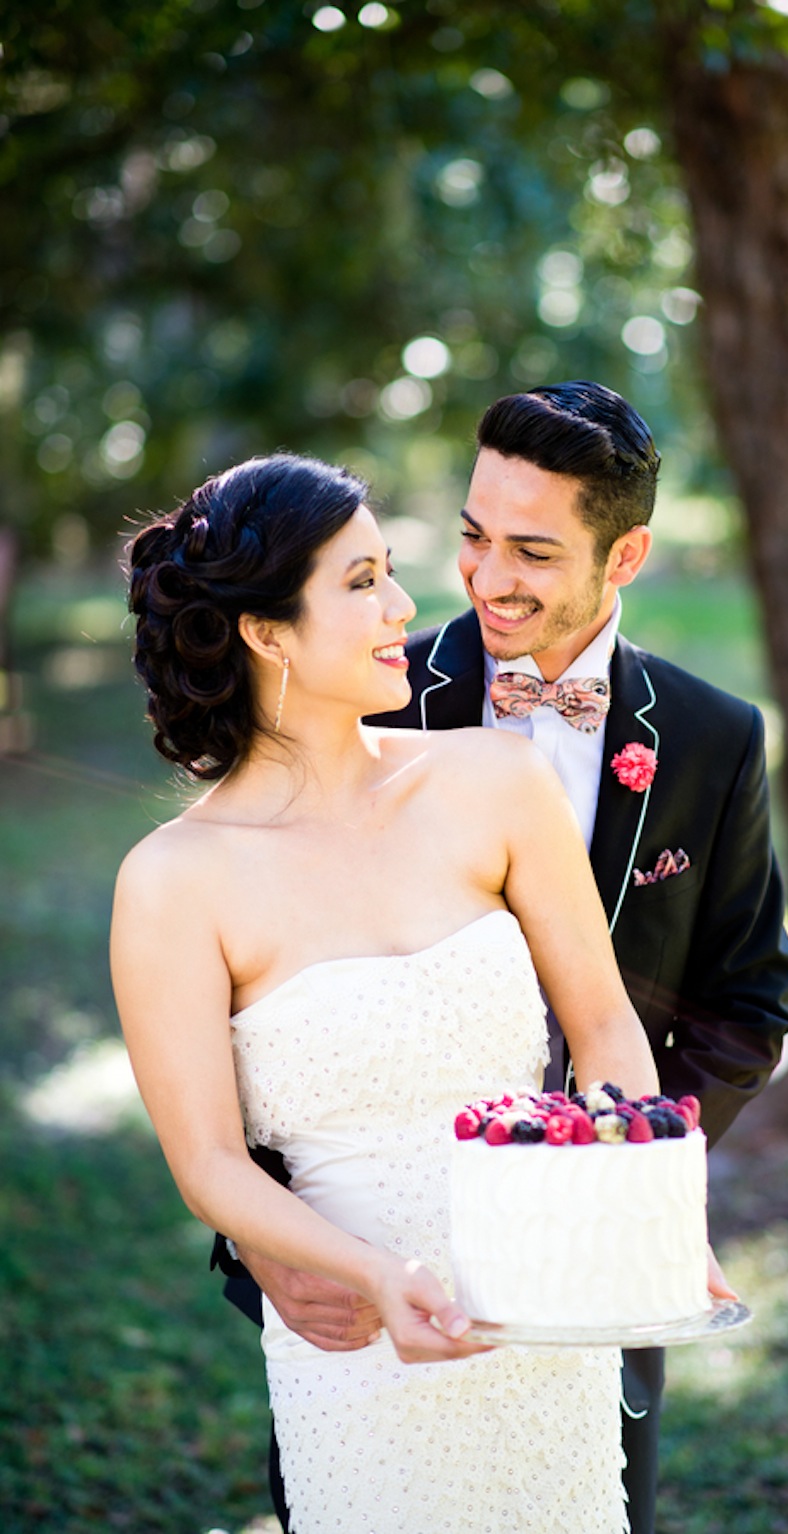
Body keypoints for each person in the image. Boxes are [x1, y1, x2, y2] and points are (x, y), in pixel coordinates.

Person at [221, 383, 788, 1534]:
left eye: (532, 550)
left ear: (624, 552)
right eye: (474, 536)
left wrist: (613, 1178)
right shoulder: (363, 691)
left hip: (594, 1267)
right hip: (359, 1265)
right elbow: (257, 990)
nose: (484, 580)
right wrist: (263, 1234)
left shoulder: (710, 739)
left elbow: (751, 1000)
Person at [111, 451, 663, 1533]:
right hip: (356, 1348)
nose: (404, 607)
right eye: (360, 581)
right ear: (267, 633)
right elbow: (210, 1164)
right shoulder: (174, 882)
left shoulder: (496, 783)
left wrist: (627, 1197)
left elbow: (603, 1027)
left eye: (391, 572)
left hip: (542, 1321)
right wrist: (368, 1274)